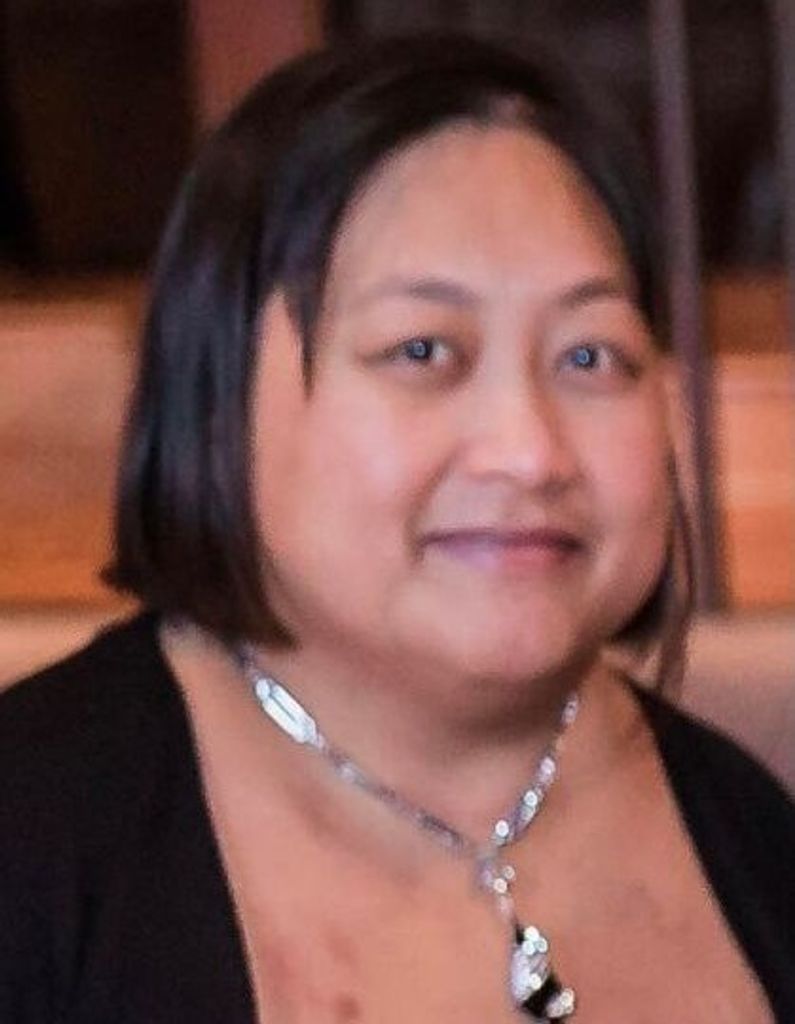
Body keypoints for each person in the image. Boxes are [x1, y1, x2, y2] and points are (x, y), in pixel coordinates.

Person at [0, 32, 793, 1024]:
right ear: (217, 393)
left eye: (590, 356)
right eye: (422, 350)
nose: (528, 452)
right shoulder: (31, 844)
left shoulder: (755, 839)